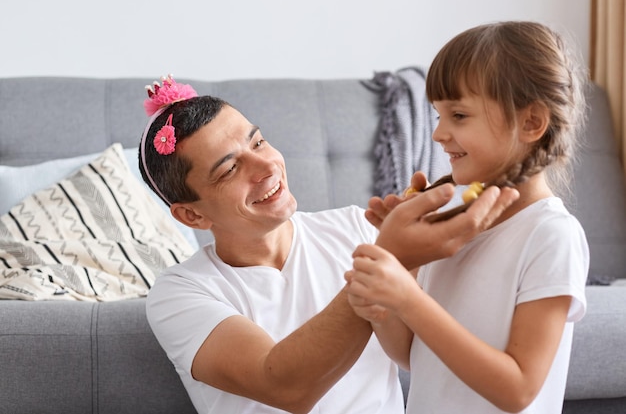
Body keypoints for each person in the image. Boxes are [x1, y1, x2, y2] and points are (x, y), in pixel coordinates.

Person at [137, 75, 519, 414]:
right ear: (192, 216)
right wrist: (389, 258)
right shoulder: (179, 294)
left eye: (259, 141)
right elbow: (285, 386)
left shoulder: (356, 227)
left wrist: (409, 263)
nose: (267, 166)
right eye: (231, 169)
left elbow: (414, 353)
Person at [345, 21, 589, 414]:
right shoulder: (448, 226)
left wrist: (409, 298)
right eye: (438, 115)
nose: (439, 133)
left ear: (531, 122)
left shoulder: (550, 234)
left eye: (458, 115)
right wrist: (394, 277)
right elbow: (411, 355)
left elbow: (519, 389)